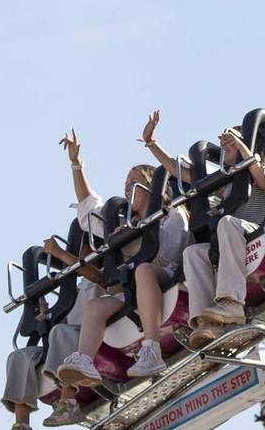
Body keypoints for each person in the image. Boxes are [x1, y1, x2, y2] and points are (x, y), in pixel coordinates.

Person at [53, 127, 188, 385]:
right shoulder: (124, 221)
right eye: (125, 183)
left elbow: (169, 254)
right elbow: (89, 212)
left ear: (151, 186)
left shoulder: (171, 215)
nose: (127, 188)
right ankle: (85, 361)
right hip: (131, 287)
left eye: (133, 182)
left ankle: (152, 349)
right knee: (95, 306)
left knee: (143, 271)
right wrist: (76, 165)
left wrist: (136, 235)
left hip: (162, 275)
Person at [181, 125, 265, 347]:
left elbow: (264, 182)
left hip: (258, 230)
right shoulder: (229, 179)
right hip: (232, 238)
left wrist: (242, 147)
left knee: (226, 222)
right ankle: (206, 320)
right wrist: (152, 144)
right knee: (193, 253)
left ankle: (231, 302)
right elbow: (187, 177)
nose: (226, 146)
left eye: (231, 143)